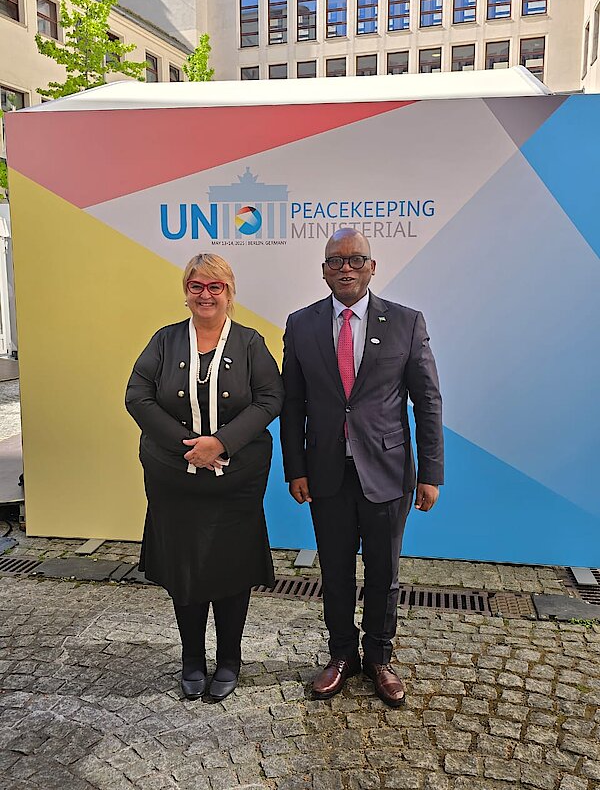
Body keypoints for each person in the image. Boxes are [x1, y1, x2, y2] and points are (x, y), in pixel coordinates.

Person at [280, 228, 444, 708]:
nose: (345, 268)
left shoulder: (406, 322)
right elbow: (292, 405)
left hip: (389, 472)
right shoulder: (301, 324)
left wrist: (430, 473)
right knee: (334, 571)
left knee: (383, 573)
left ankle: (379, 658)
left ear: (372, 267)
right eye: (335, 260)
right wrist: (295, 468)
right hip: (326, 472)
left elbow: (427, 401)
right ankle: (341, 656)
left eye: (355, 259)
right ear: (324, 270)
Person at [126, 253, 283, 702]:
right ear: (186, 292)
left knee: (232, 569)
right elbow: (137, 396)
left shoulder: (250, 343)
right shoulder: (165, 340)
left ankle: (229, 660)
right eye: (197, 286)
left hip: (236, 482)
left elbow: (271, 398)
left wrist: (221, 443)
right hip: (175, 480)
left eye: (216, 286)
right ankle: (192, 659)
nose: (206, 294)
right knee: (185, 569)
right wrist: (189, 447)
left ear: (229, 293)